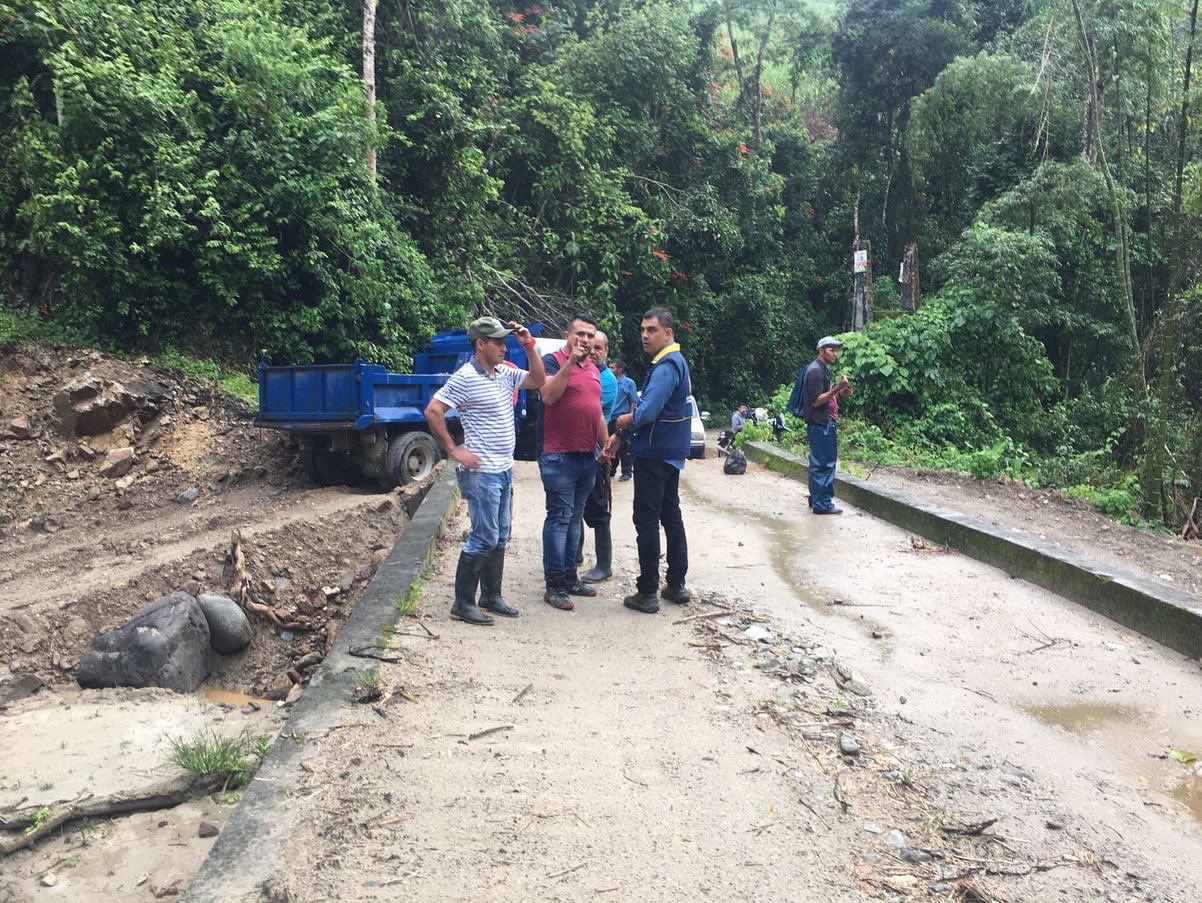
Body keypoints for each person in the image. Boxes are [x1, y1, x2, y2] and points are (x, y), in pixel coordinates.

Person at [424, 317, 545, 625]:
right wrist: (454, 450)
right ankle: (462, 603)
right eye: (498, 342)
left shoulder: (504, 373)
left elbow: (538, 379)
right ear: (480, 344)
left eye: (505, 342)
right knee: (484, 536)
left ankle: (491, 596)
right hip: (482, 473)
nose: (504, 347)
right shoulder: (465, 377)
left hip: (503, 469)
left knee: (500, 534)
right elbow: (433, 410)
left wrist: (529, 345)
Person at [605, 308, 691, 614]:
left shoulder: (666, 366)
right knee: (670, 515)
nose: (644, 335)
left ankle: (647, 591)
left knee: (647, 519)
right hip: (669, 452)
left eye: (651, 330)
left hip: (654, 453)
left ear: (668, 333)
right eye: (642, 329)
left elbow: (648, 411)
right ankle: (676, 585)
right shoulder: (675, 362)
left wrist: (624, 422)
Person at [538, 315, 611, 611]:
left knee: (574, 518)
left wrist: (606, 444)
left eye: (590, 335)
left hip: (587, 455)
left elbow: (596, 411)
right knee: (559, 518)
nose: (585, 339)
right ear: (567, 335)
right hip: (558, 455)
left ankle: (570, 577)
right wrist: (570, 362)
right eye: (580, 333)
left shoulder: (593, 368)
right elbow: (548, 396)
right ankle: (554, 584)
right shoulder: (553, 361)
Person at [787, 336, 851, 515]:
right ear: (821, 351)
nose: (835, 354)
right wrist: (838, 388)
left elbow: (825, 396)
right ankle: (822, 504)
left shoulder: (822, 369)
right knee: (824, 464)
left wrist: (840, 393)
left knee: (819, 463)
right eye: (832, 350)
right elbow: (815, 401)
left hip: (823, 422)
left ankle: (816, 499)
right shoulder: (815, 371)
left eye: (836, 351)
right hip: (821, 424)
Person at [580, 330, 617, 582]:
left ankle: (604, 565)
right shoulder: (585, 373)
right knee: (576, 507)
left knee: (598, 511)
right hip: (579, 453)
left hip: (596, 455)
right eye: (590, 347)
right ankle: (575, 555)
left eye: (599, 348)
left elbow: (592, 413)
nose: (593, 352)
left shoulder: (607, 380)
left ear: (606, 352)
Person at [608, 359, 639, 481]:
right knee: (610, 444)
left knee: (624, 447)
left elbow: (633, 402)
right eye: (609, 367)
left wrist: (630, 418)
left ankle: (626, 472)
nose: (609, 370)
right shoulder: (609, 381)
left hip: (622, 419)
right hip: (609, 418)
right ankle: (611, 470)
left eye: (612, 368)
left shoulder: (629, 383)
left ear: (620, 370)